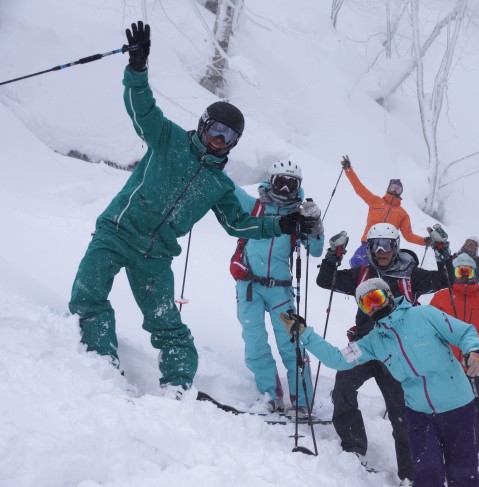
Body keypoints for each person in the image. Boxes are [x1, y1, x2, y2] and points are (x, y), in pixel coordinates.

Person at [68, 21, 319, 397]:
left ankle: (177, 387)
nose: (219, 140)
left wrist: (283, 224)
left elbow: (239, 225)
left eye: (229, 136)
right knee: (88, 297)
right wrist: (137, 69)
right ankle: (100, 364)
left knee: (169, 327)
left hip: (155, 256)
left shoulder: (218, 185)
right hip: (116, 233)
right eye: (216, 129)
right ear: (203, 125)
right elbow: (142, 110)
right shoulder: (168, 138)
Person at [280, 278, 479, 487]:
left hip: (458, 407)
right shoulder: (374, 340)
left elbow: (464, 332)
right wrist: (305, 334)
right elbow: (339, 359)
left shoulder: (424, 315)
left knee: (463, 475)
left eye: (376, 299)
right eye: (366, 304)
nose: (374, 307)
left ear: (389, 296)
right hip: (419, 414)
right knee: (426, 476)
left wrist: (474, 352)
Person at [315, 223, 453, 485]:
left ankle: (411, 475)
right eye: (375, 245)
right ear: (368, 248)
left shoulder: (411, 275)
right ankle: (353, 446)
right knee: (343, 388)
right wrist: (334, 253)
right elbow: (325, 280)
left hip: (397, 353)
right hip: (364, 346)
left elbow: (447, 280)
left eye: (387, 245)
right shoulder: (362, 274)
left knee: (402, 412)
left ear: (396, 246)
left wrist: (442, 250)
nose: (381, 251)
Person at [230, 160, 324, 415]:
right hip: (249, 286)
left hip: (281, 292)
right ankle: (270, 395)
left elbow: (315, 251)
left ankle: (302, 400)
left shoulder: (298, 216)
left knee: (291, 342)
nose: (284, 188)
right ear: (269, 181)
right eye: (279, 181)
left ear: (298, 187)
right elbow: (228, 189)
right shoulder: (255, 207)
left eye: (290, 183)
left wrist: (315, 225)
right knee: (255, 341)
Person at [429, 253, 479, 475]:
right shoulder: (441, 296)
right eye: (460, 272)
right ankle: (441, 448)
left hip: (472, 363)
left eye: (468, 272)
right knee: (439, 408)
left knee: (476, 407)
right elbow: (429, 328)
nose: (464, 277)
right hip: (444, 363)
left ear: (474, 274)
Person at [340, 155, 428, 267]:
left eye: (398, 188)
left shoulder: (402, 213)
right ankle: (358, 283)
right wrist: (348, 170)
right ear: (388, 188)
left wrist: (425, 241)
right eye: (393, 187)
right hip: (369, 242)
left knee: (383, 269)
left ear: (401, 192)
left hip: (388, 246)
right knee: (357, 262)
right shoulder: (375, 201)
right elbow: (359, 188)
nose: (395, 190)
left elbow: (408, 235)